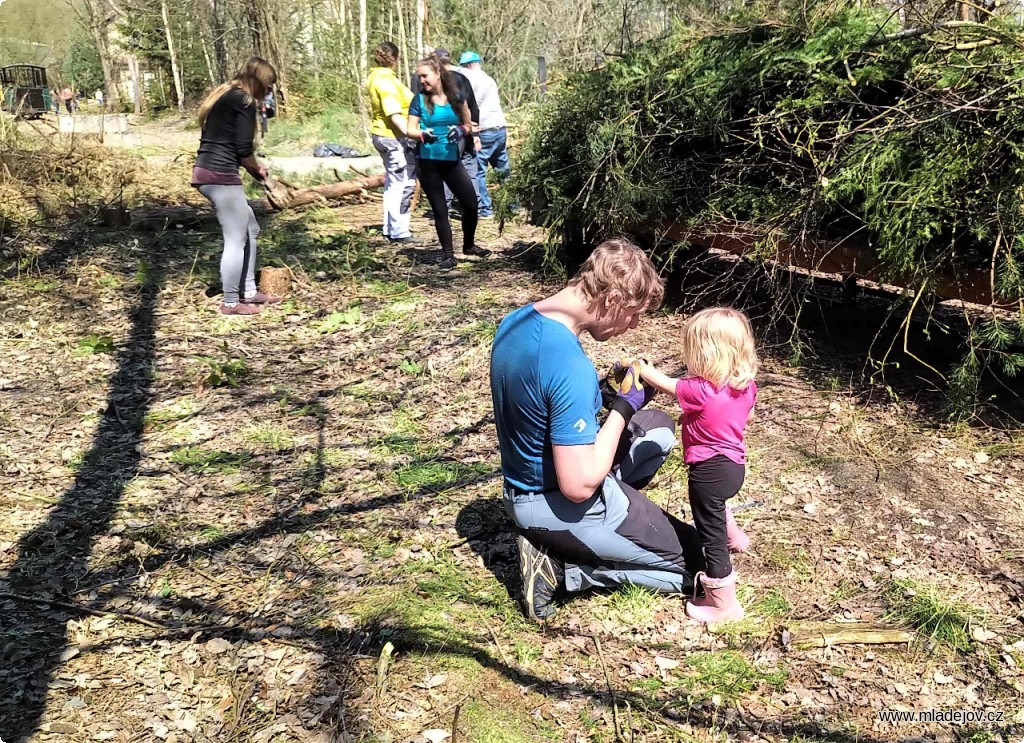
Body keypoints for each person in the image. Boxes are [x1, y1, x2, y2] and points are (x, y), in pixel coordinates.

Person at [490, 238, 706, 622]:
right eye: (634, 313)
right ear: (612, 300)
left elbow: (541, 404)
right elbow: (580, 485)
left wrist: (606, 394)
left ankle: (586, 540)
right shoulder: (568, 365)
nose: (635, 324)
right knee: (702, 566)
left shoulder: (519, 322)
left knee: (656, 428)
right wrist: (623, 408)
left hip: (526, 481)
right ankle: (564, 571)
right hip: (554, 499)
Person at [639, 308, 758, 624]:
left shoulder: (700, 389)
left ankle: (723, 604)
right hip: (733, 467)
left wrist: (642, 368)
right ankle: (737, 539)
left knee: (709, 532)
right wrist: (693, 419)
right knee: (716, 506)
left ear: (707, 354)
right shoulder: (745, 387)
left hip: (707, 471)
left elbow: (665, 384)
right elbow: (724, 417)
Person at [191, 56, 282, 316]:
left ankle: (250, 291)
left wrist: (253, 167)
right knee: (235, 238)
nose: (269, 92)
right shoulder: (243, 100)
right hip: (218, 175)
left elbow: (235, 146)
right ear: (260, 82)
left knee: (250, 227)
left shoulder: (228, 95)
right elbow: (243, 148)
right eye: (268, 86)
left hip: (211, 171)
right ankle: (230, 302)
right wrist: (256, 168)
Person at [406, 55, 490, 270]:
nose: (421, 80)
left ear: (438, 74)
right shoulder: (419, 101)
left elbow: (468, 124)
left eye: (425, 76)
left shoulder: (456, 97)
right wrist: (423, 135)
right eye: (420, 77)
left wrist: (461, 131)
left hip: (451, 160)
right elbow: (410, 129)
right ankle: (448, 255)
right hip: (427, 162)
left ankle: (469, 245)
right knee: (440, 209)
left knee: (471, 205)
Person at [367, 41, 417, 244]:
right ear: (395, 59)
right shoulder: (385, 82)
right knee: (404, 183)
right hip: (393, 137)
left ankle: (391, 227)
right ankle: (399, 231)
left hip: (386, 135)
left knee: (393, 183)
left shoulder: (377, 77)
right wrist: (413, 133)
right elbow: (393, 112)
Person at [433, 49, 484, 227]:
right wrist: (474, 131)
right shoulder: (463, 78)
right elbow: (473, 106)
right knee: (470, 168)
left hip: (450, 131)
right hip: (467, 129)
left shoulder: (438, 82)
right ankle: (473, 206)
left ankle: (444, 209)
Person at [459, 51, 511, 218]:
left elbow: (468, 107)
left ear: (466, 65)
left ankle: (485, 210)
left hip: (484, 129)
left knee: (478, 171)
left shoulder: (470, 81)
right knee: (502, 169)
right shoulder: (489, 79)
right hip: (500, 126)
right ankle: (511, 206)